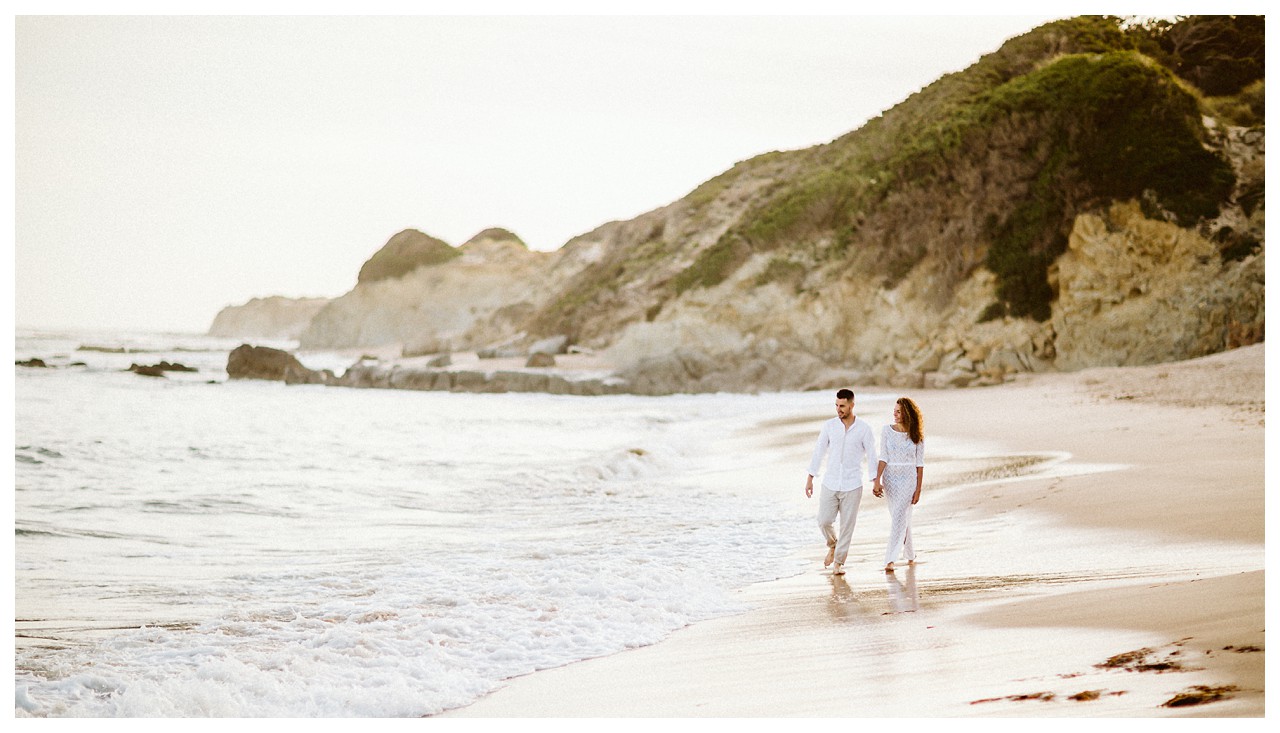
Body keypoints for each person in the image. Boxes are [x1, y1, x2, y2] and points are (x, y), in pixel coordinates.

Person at [805, 388, 878, 575]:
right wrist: (810, 478)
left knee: (847, 526)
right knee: (823, 520)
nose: (839, 409)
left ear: (852, 405)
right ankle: (832, 544)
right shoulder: (829, 426)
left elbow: (872, 455)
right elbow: (819, 451)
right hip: (830, 482)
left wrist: (875, 480)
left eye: (842, 406)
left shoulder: (863, 429)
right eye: (836, 405)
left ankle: (839, 562)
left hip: (852, 484)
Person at [872, 397, 925, 572]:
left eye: (898, 411)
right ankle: (910, 554)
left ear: (907, 413)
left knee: (899, 517)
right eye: (894, 411)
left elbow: (919, 464)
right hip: (891, 479)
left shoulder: (917, 435)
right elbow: (883, 457)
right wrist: (877, 480)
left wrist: (918, 490)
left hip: (909, 479)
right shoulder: (886, 431)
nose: (894, 414)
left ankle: (890, 559)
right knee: (900, 517)